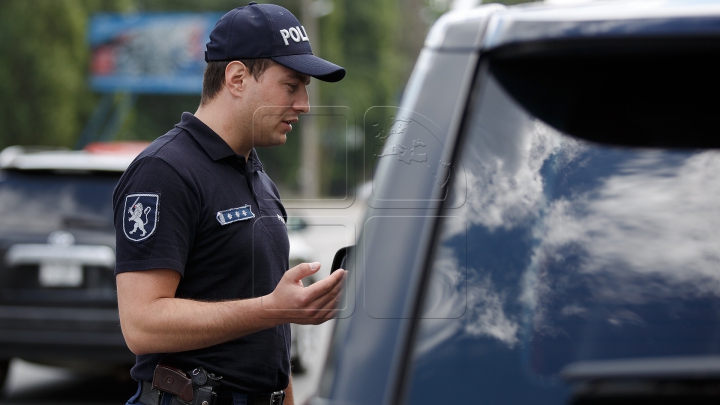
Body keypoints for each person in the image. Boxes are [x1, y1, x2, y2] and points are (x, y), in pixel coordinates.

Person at [113, 3, 346, 405]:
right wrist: (273, 309)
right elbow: (141, 325)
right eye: (292, 85)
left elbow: (269, 344)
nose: (304, 104)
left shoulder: (257, 177)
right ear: (237, 78)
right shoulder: (164, 171)